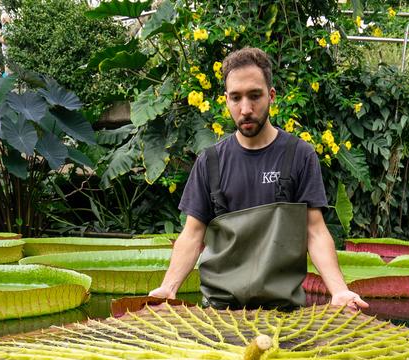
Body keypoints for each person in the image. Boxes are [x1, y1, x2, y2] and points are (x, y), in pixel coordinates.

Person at [148, 47, 368, 312]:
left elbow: (315, 231)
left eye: (255, 96)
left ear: (271, 96)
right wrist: (169, 288)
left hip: (283, 313)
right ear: (225, 100)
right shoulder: (210, 162)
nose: (246, 109)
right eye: (236, 98)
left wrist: (339, 290)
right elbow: (193, 235)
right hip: (220, 311)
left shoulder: (299, 155)